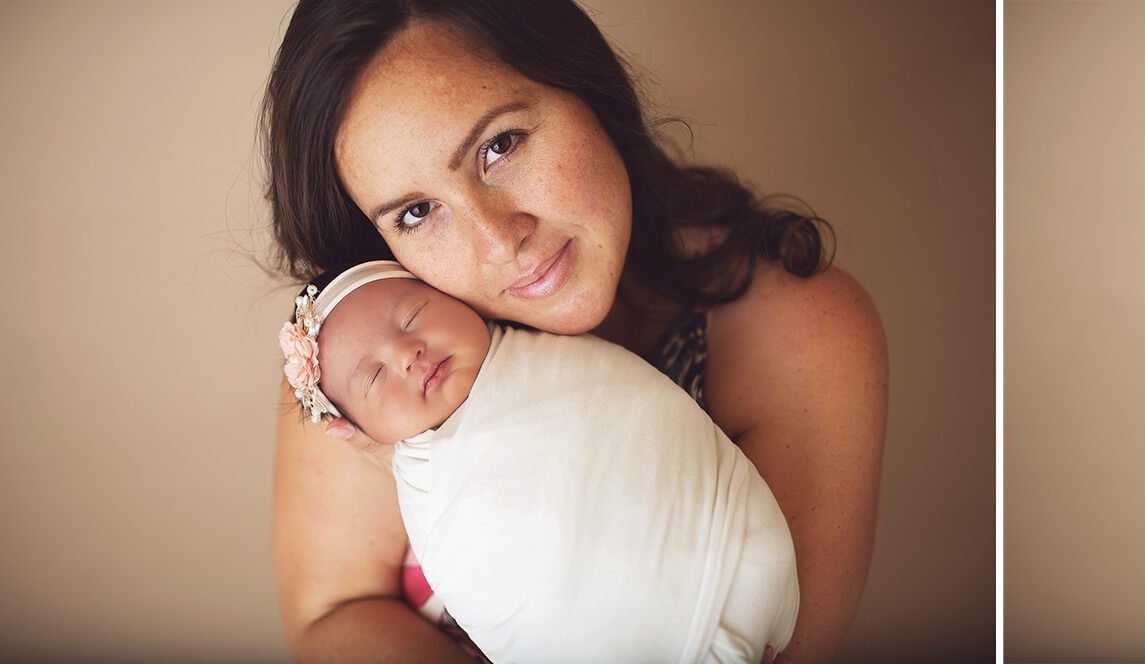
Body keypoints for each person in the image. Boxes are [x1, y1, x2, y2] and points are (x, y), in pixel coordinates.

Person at [265, 2, 887, 662]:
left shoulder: (797, 331)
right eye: (417, 212)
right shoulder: (372, 366)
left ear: (586, 87)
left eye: (498, 146)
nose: (498, 241)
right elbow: (332, 618)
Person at [279, 260, 799, 661]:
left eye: (413, 315)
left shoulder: (546, 358)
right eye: (374, 378)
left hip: (745, 565)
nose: (406, 353)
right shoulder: (424, 486)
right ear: (354, 431)